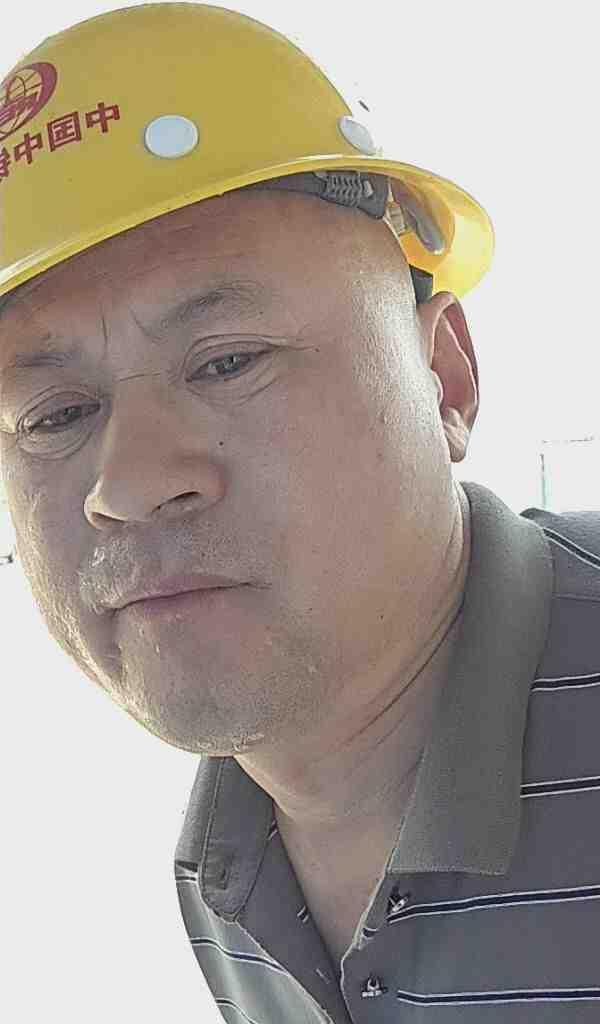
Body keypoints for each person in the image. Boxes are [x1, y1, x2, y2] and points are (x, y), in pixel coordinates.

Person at [1, 5, 599, 1023]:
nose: (129, 482)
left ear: (446, 377)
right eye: (56, 415)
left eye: (228, 360)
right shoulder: (226, 864)